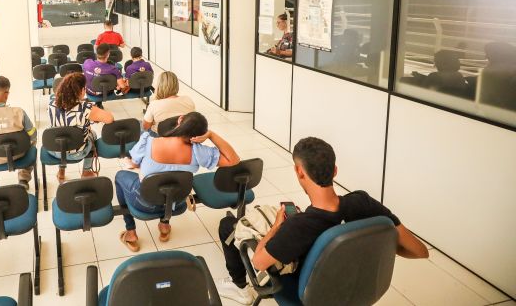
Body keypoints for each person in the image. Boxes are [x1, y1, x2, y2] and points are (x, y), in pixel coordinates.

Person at [215, 137, 428, 305]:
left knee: (227, 226)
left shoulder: (298, 226)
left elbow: (259, 262)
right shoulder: (363, 203)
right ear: (335, 171)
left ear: (299, 172)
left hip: (309, 295)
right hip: (357, 286)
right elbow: (420, 251)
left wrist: (278, 226)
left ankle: (239, 287)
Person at [116, 112, 239, 251]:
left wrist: (139, 164)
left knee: (120, 176)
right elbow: (233, 159)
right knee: (171, 183)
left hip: (144, 203)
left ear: (180, 119)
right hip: (177, 203)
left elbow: (134, 163)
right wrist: (212, 135)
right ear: (200, 135)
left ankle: (131, 232)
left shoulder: (148, 141)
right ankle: (164, 225)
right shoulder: (199, 151)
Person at [47, 73, 114, 181]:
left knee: (61, 137)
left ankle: (61, 171)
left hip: (54, 150)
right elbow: (109, 118)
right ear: (81, 90)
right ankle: (86, 171)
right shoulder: (85, 108)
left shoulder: (51, 103)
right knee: (92, 135)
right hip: (77, 153)